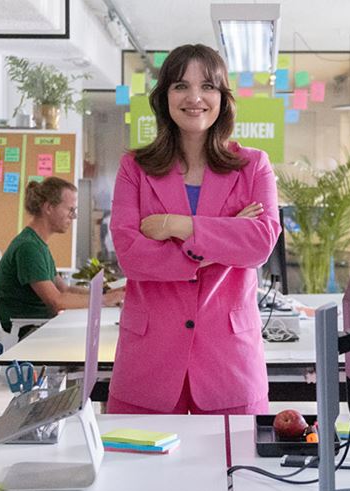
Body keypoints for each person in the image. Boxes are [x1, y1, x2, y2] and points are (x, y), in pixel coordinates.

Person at [108, 43, 280, 415]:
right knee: (134, 456)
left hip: (230, 363)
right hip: (147, 363)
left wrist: (178, 226)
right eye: (181, 86)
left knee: (235, 456)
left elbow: (261, 243)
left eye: (208, 86)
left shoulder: (253, 166)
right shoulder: (134, 168)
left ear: (222, 98)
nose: (194, 97)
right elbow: (131, 256)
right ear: (164, 97)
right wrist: (225, 238)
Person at [0, 176, 123, 340]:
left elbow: (64, 290)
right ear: (49, 208)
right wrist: (104, 300)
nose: (73, 216)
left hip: (39, 325)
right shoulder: (28, 248)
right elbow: (57, 302)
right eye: (70, 210)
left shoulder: (37, 244)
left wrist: (106, 293)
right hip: (28, 331)